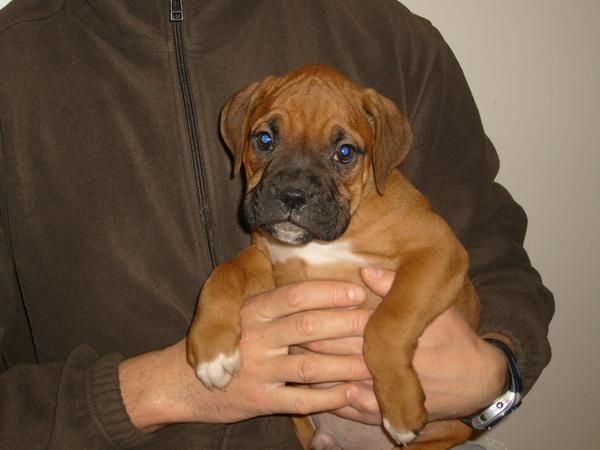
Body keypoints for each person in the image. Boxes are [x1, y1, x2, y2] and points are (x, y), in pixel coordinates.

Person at [0, 0, 554, 448]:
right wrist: (158, 392)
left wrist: (493, 379)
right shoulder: (15, 58)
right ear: (242, 138)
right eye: (266, 142)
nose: (293, 189)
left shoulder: (392, 36)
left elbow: (490, 257)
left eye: (342, 156)